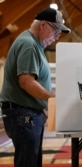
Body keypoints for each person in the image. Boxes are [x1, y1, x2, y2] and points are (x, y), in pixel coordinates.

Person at [0, 7, 70, 167]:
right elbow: (26, 82)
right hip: (24, 116)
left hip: (27, 114)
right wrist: (52, 98)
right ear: (43, 25)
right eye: (56, 31)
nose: (57, 36)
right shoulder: (29, 45)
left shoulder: (33, 44)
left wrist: (41, 107)